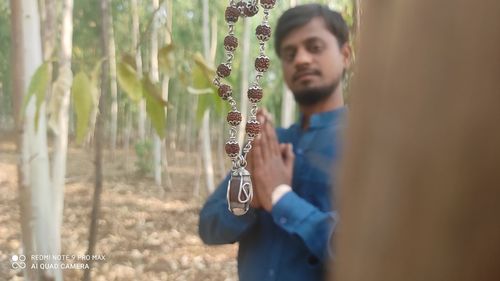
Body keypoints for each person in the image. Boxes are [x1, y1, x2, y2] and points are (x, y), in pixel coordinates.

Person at [199, 4, 351, 281]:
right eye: (290, 54)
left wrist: (281, 198)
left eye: (314, 47)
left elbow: (367, 251)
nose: (301, 60)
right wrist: (251, 200)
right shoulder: (267, 146)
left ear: (345, 55)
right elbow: (208, 225)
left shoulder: (368, 145)